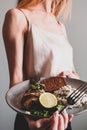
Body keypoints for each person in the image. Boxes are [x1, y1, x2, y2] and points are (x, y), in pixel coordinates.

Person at [2, 0, 80, 130]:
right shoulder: (18, 16)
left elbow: (73, 74)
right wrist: (31, 121)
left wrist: (73, 77)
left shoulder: (59, 25)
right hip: (34, 120)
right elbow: (15, 84)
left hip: (63, 118)